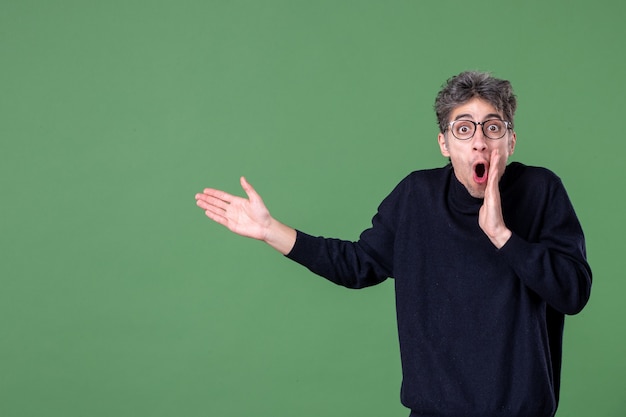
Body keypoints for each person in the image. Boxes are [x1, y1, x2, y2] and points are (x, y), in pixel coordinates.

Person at [194, 71, 592, 417]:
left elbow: (573, 293)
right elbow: (357, 264)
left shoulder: (541, 191)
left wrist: (503, 236)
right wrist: (270, 230)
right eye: (464, 128)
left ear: (511, 141)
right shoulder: (416, 197)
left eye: (493, 127)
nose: (479, 142)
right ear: (444, 144)